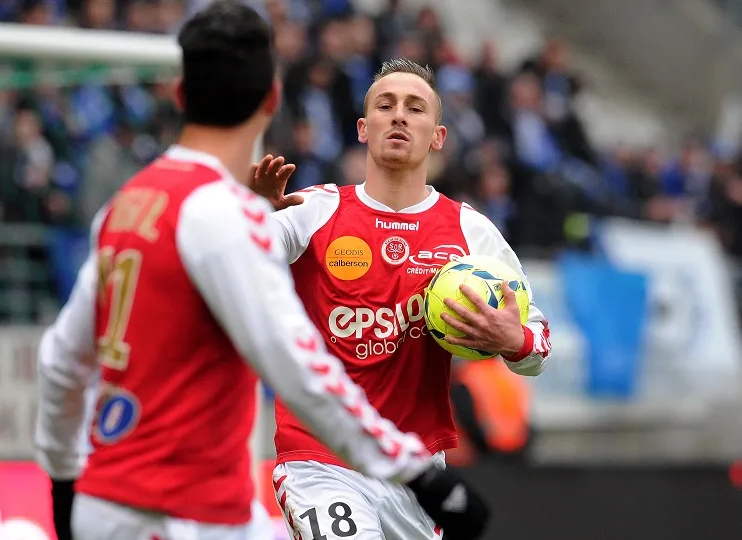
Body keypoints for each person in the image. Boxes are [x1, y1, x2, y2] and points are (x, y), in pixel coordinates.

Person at [34, 6, 489, 540]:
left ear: (180, 96)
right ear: (271, 101)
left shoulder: (126, 205)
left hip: (104, 501)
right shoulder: (225, 216)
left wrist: (63, 483)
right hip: (186, 512)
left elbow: (61, 361)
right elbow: (298, 367)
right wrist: (417, 473)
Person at [252, 58, 552, 539]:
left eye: (415, 108)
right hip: (320, 460)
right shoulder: (311, 210)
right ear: (363, 128)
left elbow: (538, 345)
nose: (398, 116)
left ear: (437, 135)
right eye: (385, 105)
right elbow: (233, 263)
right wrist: (249, 216)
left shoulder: (469, 231)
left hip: (413, 471)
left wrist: (514, 339)